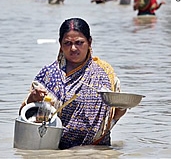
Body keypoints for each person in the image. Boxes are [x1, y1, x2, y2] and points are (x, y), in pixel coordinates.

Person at [19, 17, 127, 149]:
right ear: (60, 44)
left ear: (90, 42)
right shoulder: (49, 75)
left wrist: (104, 131)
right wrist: (33, 98)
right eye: (67, 43)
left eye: (79, 42)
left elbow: (119, 108)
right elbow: (25, 117)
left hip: (98, 150)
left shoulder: (104, 73)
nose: (73, 48)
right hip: (58, 151)